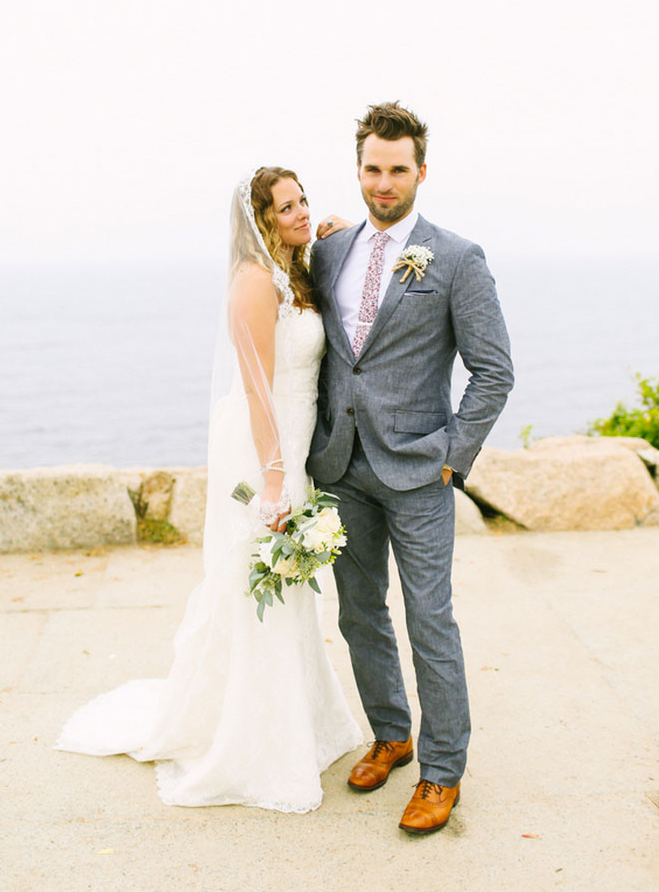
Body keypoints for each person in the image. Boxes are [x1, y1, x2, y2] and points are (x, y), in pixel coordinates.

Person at [56, 167, 362, 813]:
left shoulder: (292, 270)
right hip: (261, 452)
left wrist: (333, 230)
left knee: (288, 593)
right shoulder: (254, 282)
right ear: (260, 220)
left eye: (304, 199)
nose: (302, 211)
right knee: (258, 585)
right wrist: (275, 480)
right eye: (288, 207)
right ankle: (252, 744)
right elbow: (256, 391)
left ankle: (298, 724)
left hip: (294, 445)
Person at [308, 101, 514, 834]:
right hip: (340, 467)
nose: (385, 182)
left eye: (399, 170)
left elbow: (493, 373)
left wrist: (452, 460)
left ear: (421, 171)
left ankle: (441, 771)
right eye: (373, 168)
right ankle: (390, 734)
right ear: (358, 170)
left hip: (421, 471)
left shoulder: (457, 258)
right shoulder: (328, 250)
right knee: (359, 612)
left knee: (431, 620)